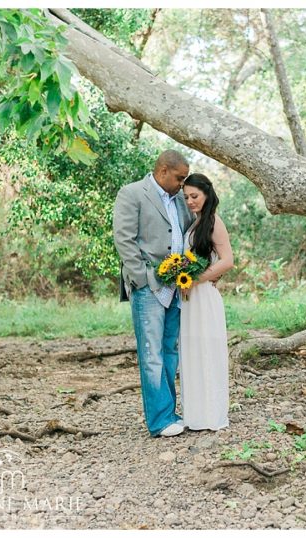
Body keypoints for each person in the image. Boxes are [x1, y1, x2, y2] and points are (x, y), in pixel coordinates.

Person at [112, 150, 194, 438]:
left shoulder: (181, 199)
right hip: (148, 285)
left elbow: (187, 231)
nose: (183, 184)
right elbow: (123, 238)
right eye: (179, 178)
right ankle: (159, 421)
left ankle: (170, 412)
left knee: (170, 350)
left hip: (177, 285)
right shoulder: (132, 193)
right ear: (162, 172)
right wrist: (141, 279)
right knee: (151, 353)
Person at [179, 173, 234, 431]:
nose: (190, 201)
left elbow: (227, 261)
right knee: (192, 352)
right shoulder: (195, 223)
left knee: (208, 351)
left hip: (205, 297)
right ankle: (195, 415)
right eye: (186, 197)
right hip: (190, 299)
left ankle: (212, 414)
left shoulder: (213, 221)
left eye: (194, 196)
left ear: (207, 194)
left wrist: (197, 279)